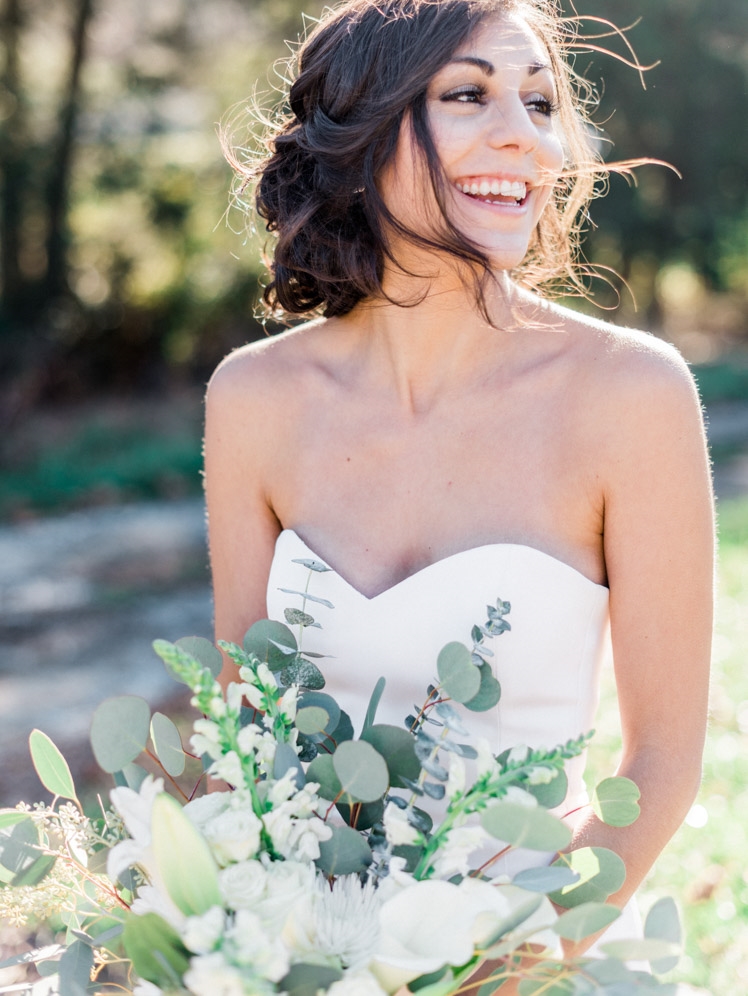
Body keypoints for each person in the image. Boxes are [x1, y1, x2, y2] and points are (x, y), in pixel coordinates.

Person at [204, 0, 714, 986]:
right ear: (360, 128)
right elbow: (238, 719)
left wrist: (499, 970)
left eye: (539, 101)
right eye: (469, 95)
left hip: (533, 945)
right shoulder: (251, 400)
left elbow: (661, 762)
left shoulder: (631, 395)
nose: (524, 136)